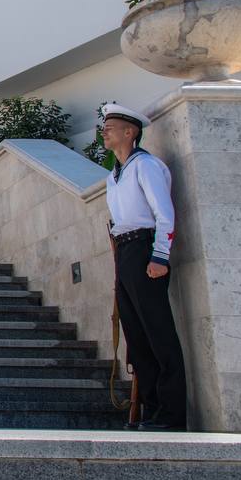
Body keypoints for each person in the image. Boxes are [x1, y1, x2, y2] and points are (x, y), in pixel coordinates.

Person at [102, 102, 187, 432]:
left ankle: (171, 415)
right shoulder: (114, 175)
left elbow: (164, 213)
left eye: (111, 127)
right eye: (104, 126)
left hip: (144, 247)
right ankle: (150, 411)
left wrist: (160, 256)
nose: (105, 131)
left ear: (130, 132)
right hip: (125, 251)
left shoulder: (146, 166)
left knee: (159, 334)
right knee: (137, 338)